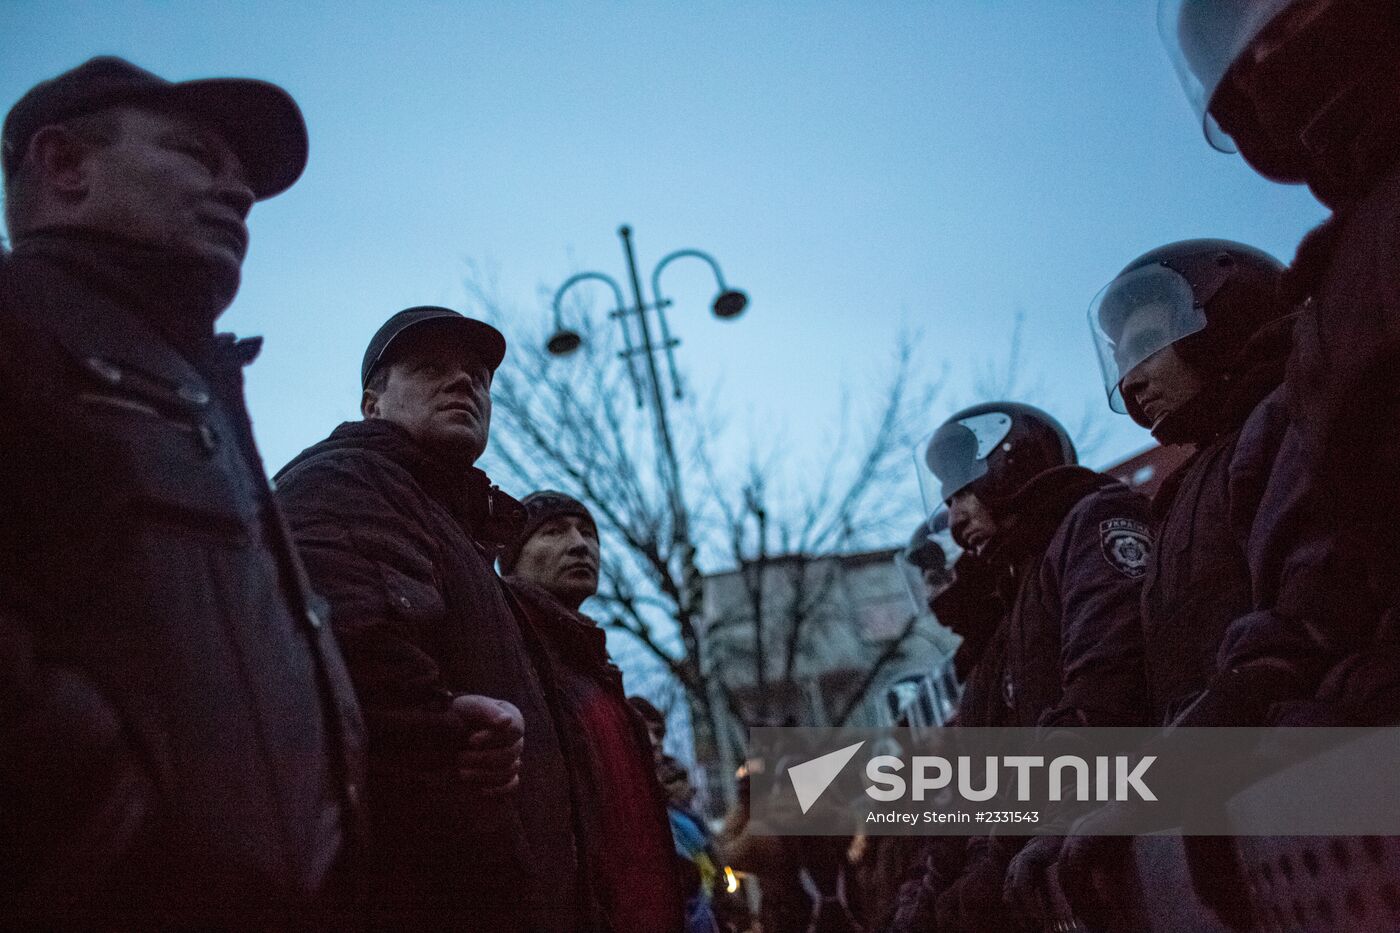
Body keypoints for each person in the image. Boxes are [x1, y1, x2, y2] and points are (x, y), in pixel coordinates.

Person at [0, 57, 365, 924]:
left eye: (242, 174)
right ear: (64, 166)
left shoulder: (194, 384)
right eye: (199, 155)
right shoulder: (19, 326)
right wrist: (117, 822)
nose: (240, 191)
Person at [274, 306, 583, 927]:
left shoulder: (460, 536)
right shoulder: (344, 482)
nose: (466, 382)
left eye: (478, 375)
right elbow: (366, 680)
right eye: (430, 368)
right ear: (372, 403)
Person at [1158, 0, 1400, 726]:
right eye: (1235, 46)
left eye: (1276, 15)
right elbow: (1334, 577)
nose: (1261, 52)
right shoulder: (1334, 303)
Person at [913, 402, 1152, 931]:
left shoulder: (1090, 525)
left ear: (1010, 465)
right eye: (949, 499)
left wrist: (1003, 847)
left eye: (964, 490)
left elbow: (1102, 696)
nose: (954, 519)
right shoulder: (1022, 588)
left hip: (1119, 849)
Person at [500, 491, 684, 932]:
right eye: (553, 531)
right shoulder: (509, 660)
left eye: (588, 532)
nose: (581, 544)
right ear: (510, 559)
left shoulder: (599, 678)